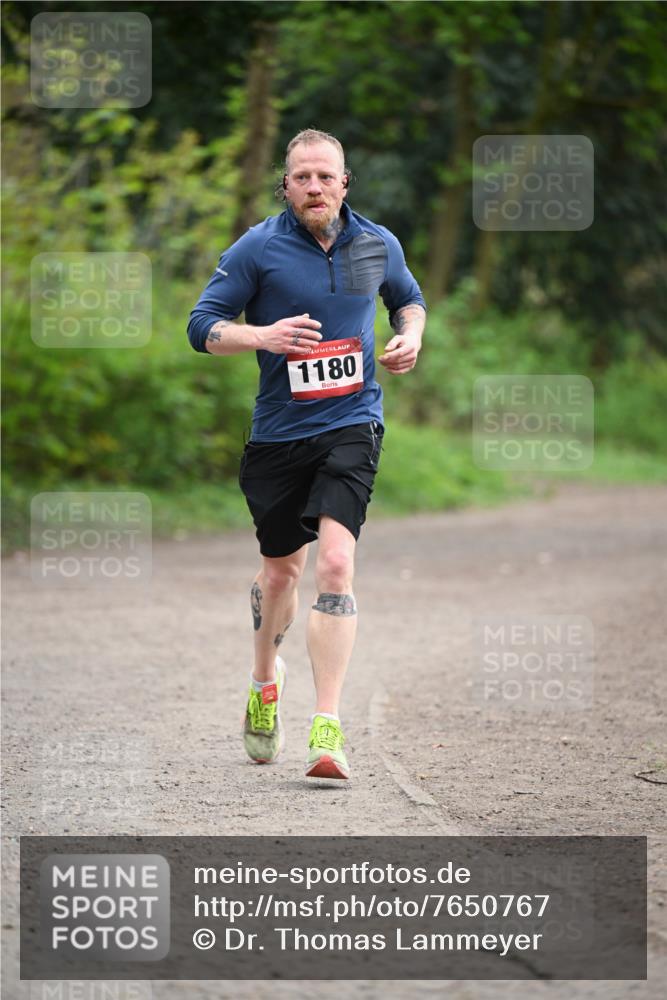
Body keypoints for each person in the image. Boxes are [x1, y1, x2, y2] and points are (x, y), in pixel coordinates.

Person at [188, 128, 426, 780]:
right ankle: (265, 680)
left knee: (338, 563)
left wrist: (410, 337)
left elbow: (406, 300)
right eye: (302, 177)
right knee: (280, 575)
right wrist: (261, 334)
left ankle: (327, 728)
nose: (314, 187)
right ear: (286, 185)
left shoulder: (374, 244)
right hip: (277, 437)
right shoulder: (258, 249)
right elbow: (200, 326)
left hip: (352, 423)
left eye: (326, 176)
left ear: (345, 182)